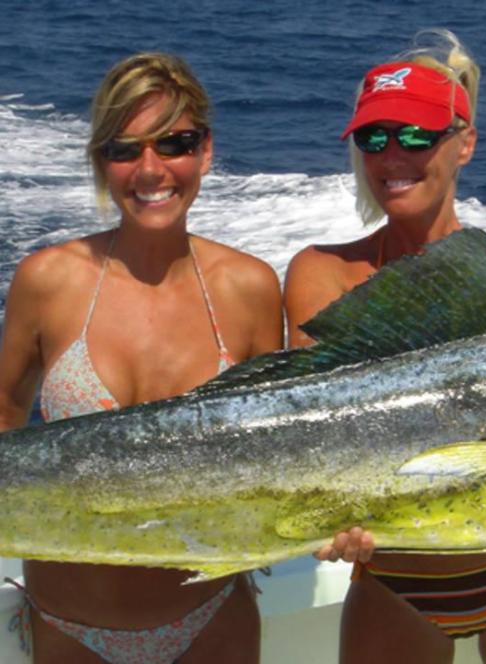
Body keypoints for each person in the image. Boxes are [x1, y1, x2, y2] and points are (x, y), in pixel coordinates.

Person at [0, 52, 283, 663]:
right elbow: (3, 419)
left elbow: (277, 456)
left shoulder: (251, 288)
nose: (150, 169)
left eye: (174, 143)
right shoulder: (47, 281)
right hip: (69, 626)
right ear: (101, 163)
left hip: (212, 618)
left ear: (205, 151)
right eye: (124, 150)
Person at [284, 30, 486, 664]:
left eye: (415, 136)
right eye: (374, 138)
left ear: (465, 143)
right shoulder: (321, 273)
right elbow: (315, 443)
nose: (392, 156)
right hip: (393, 579)